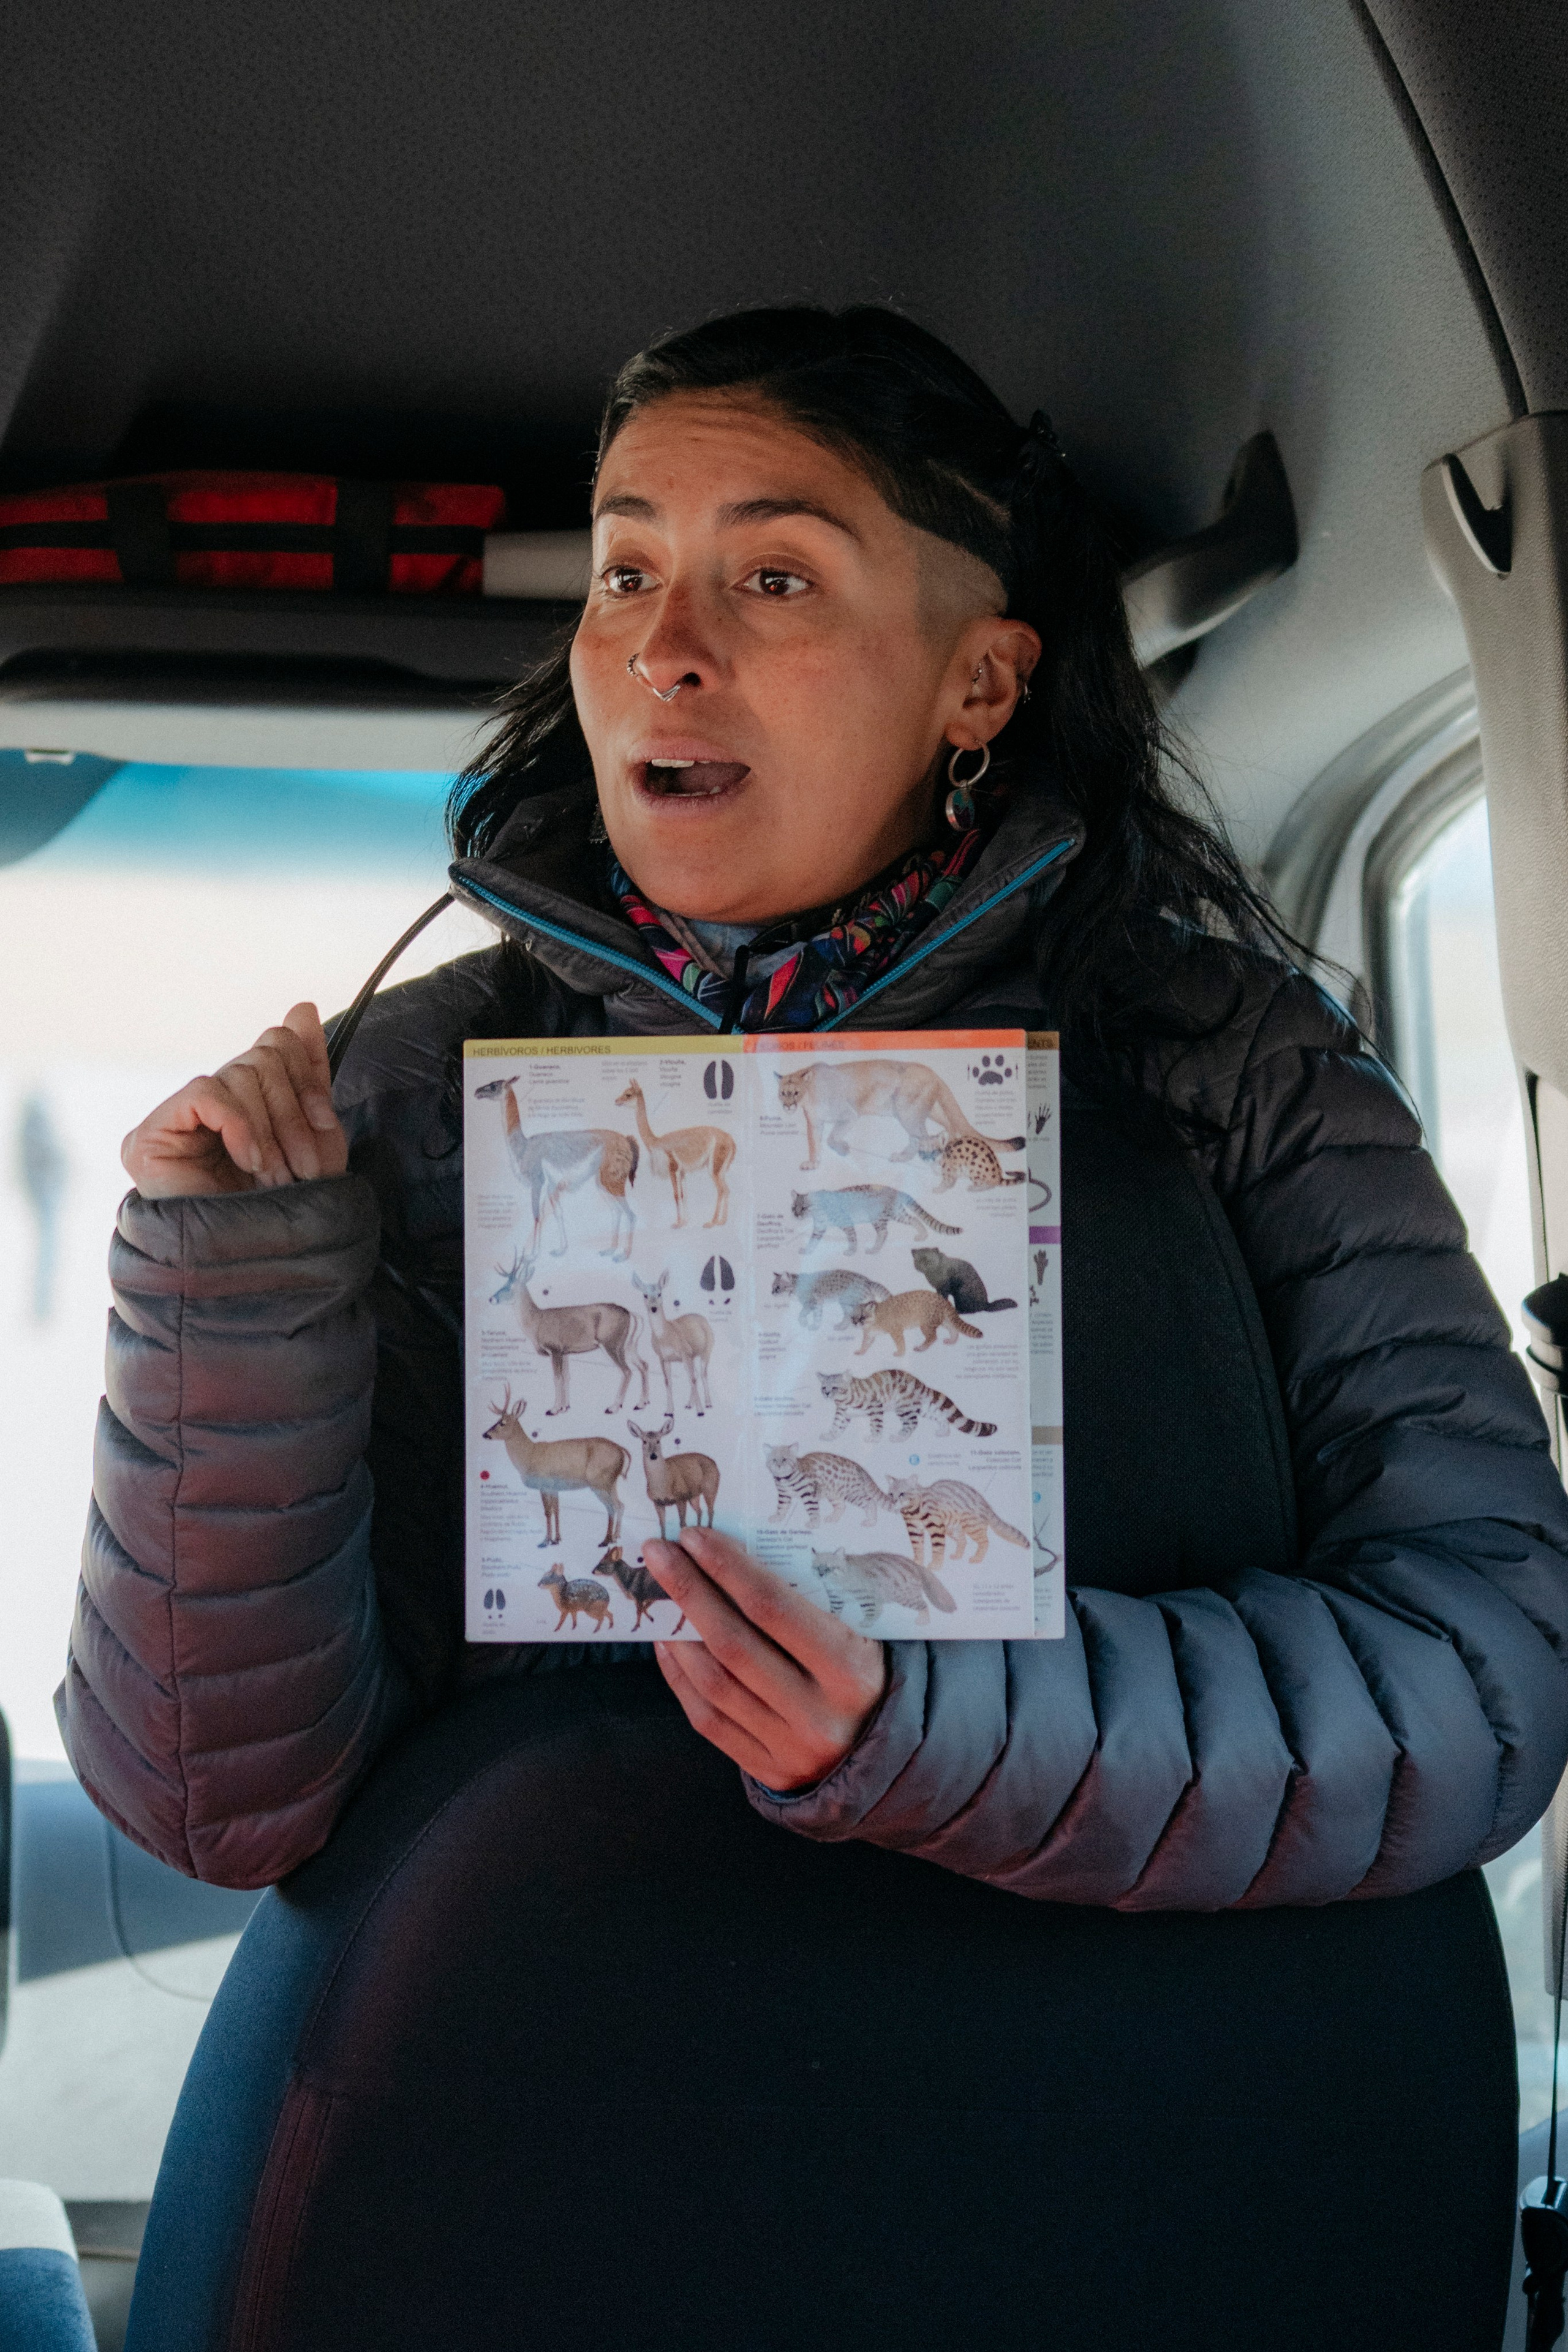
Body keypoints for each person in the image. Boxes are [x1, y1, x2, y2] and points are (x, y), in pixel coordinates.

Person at [64, 304, 1568, 1907]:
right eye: (626, 574)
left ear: (978, 684)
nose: (664, 649)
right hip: (549, 2062)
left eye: (772, 578)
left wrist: (939, 1723)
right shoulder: (407, 1089)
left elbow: (1481, 1679)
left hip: (1129, 2080)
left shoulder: (1239, 1069)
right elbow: (220, 1812)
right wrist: (227, 1285)